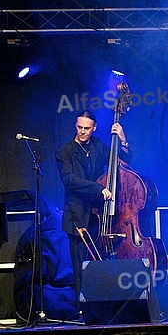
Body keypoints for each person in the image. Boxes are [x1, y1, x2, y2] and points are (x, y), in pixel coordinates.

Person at [55, 110, 131, 314]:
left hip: (99, 215)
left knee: (102, 261)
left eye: (86, 128)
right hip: (77, 216)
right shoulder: (65, 152)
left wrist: (122, 138)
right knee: (81, 265)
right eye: (79, 127)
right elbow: (69, 180)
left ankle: (107, 304)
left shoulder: (98, 145)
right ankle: (84, 309)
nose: (82, 131)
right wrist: (99, 188)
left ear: (94, 128)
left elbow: (123, 162)